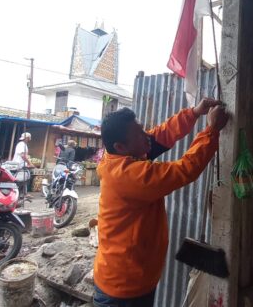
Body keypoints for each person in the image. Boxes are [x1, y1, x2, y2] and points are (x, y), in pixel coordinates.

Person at [93, 98, 228, 306]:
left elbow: (160, 135)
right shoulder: (128, 175)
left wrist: (193, 112)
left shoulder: (122, 155)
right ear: (120, 146)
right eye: (138, 134)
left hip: (134, 279)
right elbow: (184, 170)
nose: (146, 135)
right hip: (122, 288)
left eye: (141, 129)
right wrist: (211, 130)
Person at [13, 132, 34, 199]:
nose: (29, 139)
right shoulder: (22, 145)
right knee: (21, 179)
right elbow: (23, 155)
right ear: (27, 138)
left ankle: (24, 193)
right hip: (19, 164)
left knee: (26, 178)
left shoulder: (23, 144)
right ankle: (20, 193)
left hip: (21, 164)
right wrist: (29, 163)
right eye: (29, 138)